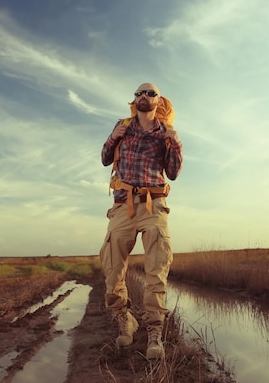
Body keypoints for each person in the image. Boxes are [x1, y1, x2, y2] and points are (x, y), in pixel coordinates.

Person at [99, 82, 183, 359]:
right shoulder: (123, 126)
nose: (142, 96)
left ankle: (154, 334)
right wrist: (113, 137)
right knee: (113, 271)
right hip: (123, 206)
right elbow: (104, 159)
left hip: (153, 205)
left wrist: (176, 145)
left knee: (156, 272)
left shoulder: (165, 134)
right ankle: (125, 319)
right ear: (134, 100)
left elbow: (172, 173)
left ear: (158, 101)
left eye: (149, 93)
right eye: (138, 93)